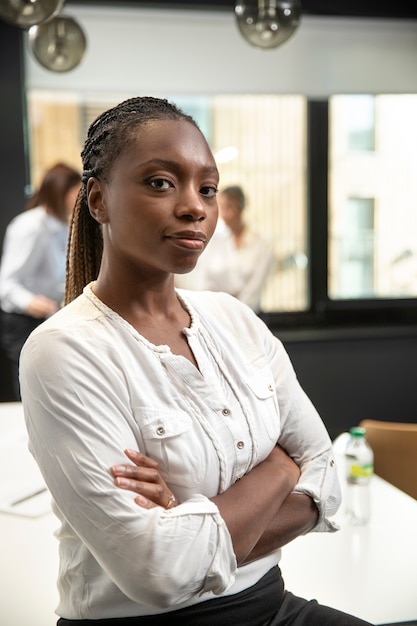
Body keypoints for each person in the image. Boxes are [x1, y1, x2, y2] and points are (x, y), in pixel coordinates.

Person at [19, 97, 373, 626]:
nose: (195, 207)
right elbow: (157, 572)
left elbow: (325, 479)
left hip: (271, 606)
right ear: (99, 200)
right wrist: (280, 466)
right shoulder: (64, 350)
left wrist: (189, 524)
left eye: (207, 188)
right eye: (161, 183)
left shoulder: (234, 320)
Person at [0, 162, 81, 398]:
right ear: (60, 191)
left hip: (49, 315)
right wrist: (30, 302)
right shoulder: (31, 226)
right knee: (30, 386)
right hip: (23, 319)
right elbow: (6, 282)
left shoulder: (63, 225)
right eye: (76, 192)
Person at [177, 185, 276, 313]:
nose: (224, 214)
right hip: (217, 312)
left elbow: (255, 287)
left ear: (240, 207)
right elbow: (204, 279)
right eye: (221, 208)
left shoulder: (262, 243)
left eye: (228, 207)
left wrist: (236, 315)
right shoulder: (216, 239)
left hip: (250, 314)